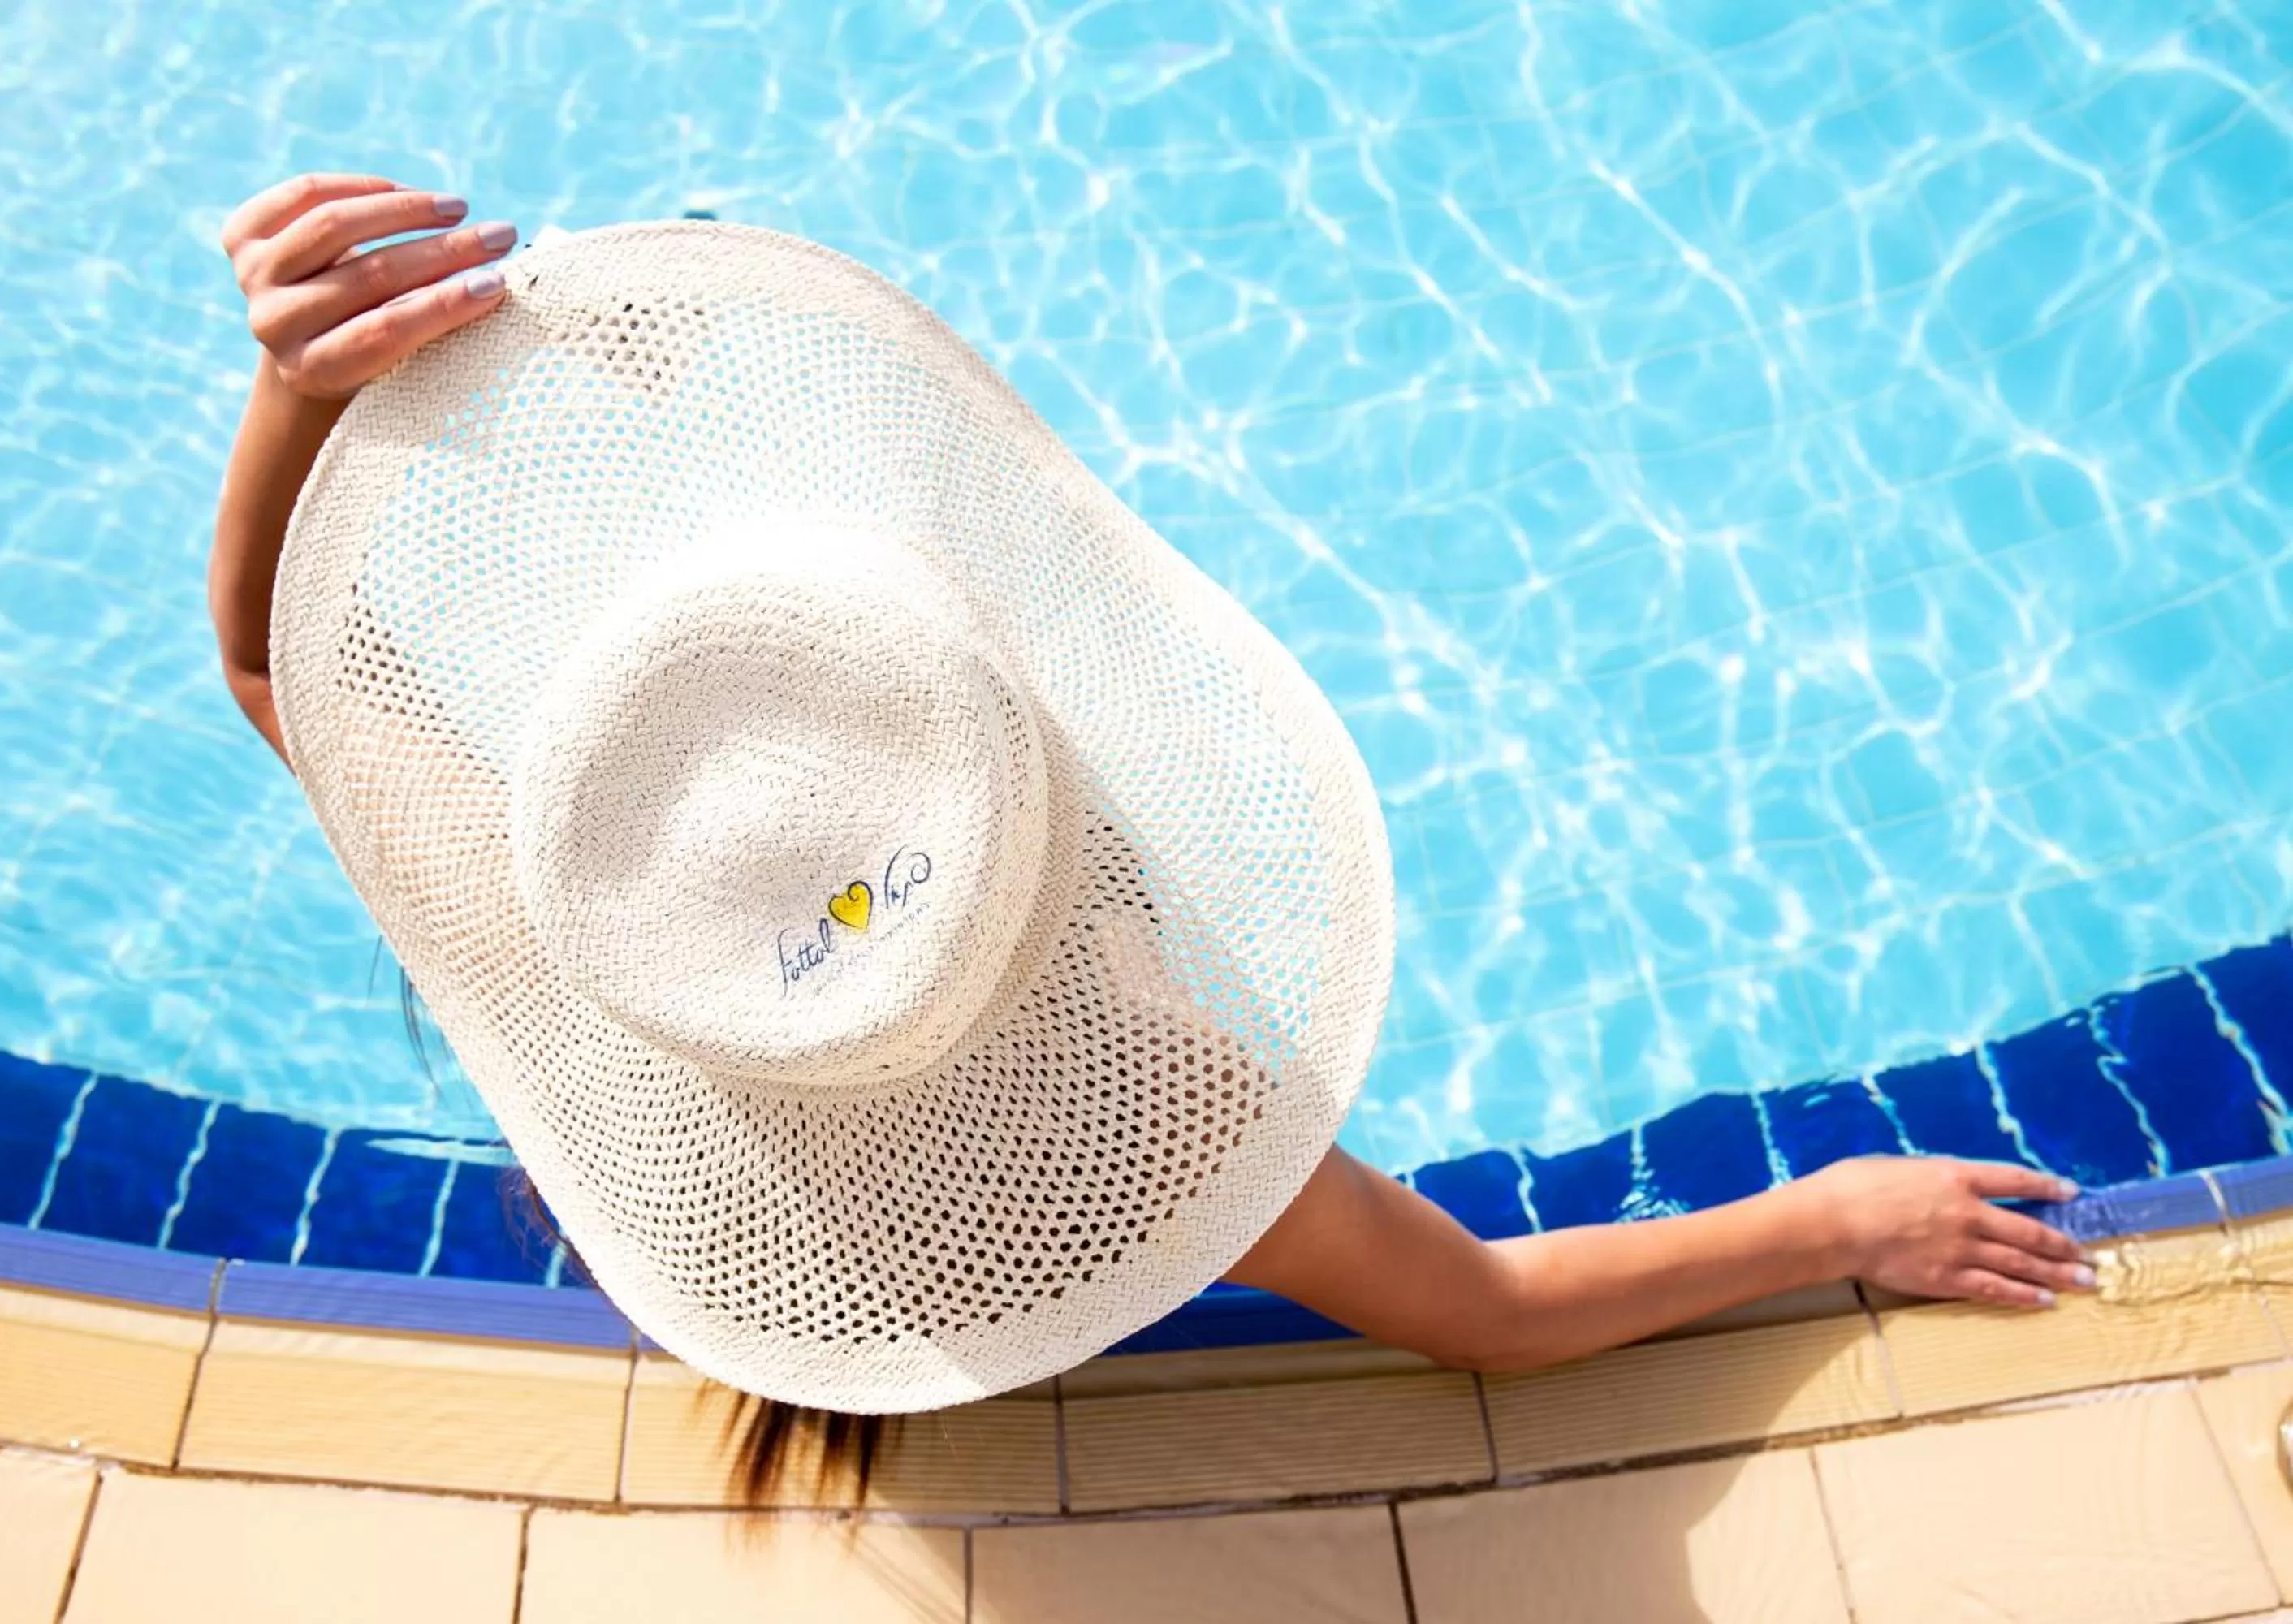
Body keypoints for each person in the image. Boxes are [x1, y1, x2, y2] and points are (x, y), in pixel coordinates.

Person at [209, 172, 2093, 1497]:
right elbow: (1492, 1311)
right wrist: (1831, 1217)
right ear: (1073, 783)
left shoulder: (606, 948)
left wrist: (301, 403)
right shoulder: (1139, 1107)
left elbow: (273, 670)